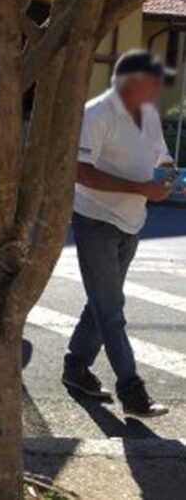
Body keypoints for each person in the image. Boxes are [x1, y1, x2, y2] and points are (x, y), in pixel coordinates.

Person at [62, 49, 176, 418]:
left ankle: (76, 366)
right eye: (152, 83)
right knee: (111, 311)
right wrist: (144, 189)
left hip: (131, 223)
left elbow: (161, 158)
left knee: (102, 302)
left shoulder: (148, 115)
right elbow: (81, 172)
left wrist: (170, 175)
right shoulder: (97, 113)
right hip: (96, 220)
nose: (157, 91)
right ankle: (132, 391)